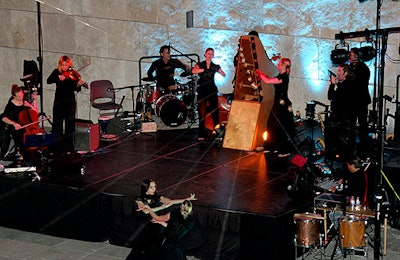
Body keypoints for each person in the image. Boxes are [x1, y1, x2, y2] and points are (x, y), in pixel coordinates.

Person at [126, 178, 196, 259]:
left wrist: (186, 199)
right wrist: (162, 207)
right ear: (146, 188)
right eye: (151, 187)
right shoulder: (139, 199)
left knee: (157, 246)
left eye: (154, 187)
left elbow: (171, 201)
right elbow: (146, 211)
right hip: (146, 225)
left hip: (157, 224)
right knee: (141, 247)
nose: (154, 189)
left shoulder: (158, 197)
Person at [255, 58, 295, 157]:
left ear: (282, 65)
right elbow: (270, 79)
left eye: (279, 63)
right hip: (278, 104)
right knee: (272, 125)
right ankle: (271, 146)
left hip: (282, 105)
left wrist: (259, 73)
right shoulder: (280, 76)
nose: (278, 65)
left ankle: (284, 150)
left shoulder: (284, 77)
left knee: (281, 126)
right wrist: (263, 76)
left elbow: (267, 81)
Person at [47, 55, 85, 155]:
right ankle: (57, 147)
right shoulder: (57, 72)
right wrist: (58, 78)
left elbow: (76, 89)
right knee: (57, 124)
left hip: (70, 102)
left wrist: (78, 85)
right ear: (60, 65)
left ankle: (69, 147)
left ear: (69, 65)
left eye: (66, 65)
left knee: (70, 125)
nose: (65, 67)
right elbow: (48, 81)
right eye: (63, 65)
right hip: (59, 101)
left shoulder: (73, 74)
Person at [192, 48, 226, 140]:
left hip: (212, 89)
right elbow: (193, 71)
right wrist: (204, 70)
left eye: (211, 54)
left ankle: (217, 131)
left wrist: (217, 69)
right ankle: (201, 133)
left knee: (214, 110)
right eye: (208, 54)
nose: (210, 55)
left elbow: (224, 74)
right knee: (201, 111)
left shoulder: (214, 65)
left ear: (213, 55)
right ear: (205, 54)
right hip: (202, 89)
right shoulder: (200, 64)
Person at [327, 63, 357, 161]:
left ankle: (344, 158)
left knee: (344, 141)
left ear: (345, 73)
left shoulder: (347, 85)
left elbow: (332, 96)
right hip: (345, 118)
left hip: (344, 119)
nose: (337, 73)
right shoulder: (345, 84)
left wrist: (332, 85)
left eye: (340, 71)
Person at [1, 84, 38, 156]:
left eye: (22, 96)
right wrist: (14, 124)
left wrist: (32, 102)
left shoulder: (25, 101)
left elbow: (35, 113)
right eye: (18, 97)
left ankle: (34, 152)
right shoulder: (11, 105)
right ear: (14, 96)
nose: (21, 98)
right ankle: (23, 153)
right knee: (21, 137)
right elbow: (3, 117)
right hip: (15, 126)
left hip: (25, 125)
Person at [349, 48, 371, 158]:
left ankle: (364, 148)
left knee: (362, 125)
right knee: (351, 124)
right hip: (353, 101)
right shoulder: (352, 67)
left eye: (352, 55)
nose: (350, 57)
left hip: (361, 100)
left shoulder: (363, 68)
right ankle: (351, 147)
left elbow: (356, 81)